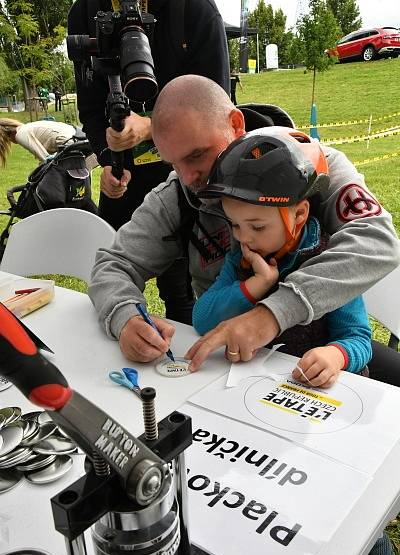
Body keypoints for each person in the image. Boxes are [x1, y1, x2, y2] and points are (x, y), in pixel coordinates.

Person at [88, 74, 400, 389]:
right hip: (226, 372)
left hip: (316, 369)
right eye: (172, 162)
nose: (187, 177)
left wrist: (271, 315)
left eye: (196, 155)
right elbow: (113, 265)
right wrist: (125, 317)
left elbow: (377, 243)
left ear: (236, 124)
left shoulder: (311, 168)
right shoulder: (177, 196)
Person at [68, 0, 230, 325]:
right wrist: (107, 155)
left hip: (187, 182)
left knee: (182, 295)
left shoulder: (195, 10)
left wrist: (151, 127)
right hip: (125, 177)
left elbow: (219, 104)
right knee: (114, 278)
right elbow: (90, 107)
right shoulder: (84, 13)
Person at [192, 127, 372, 388]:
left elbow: (358, 338)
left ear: (299, 216)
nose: (244, 238)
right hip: (259, 386)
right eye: (235, 224)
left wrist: (336, 356)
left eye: (258, 227)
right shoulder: (241, 260)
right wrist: (255, 286)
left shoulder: (329, 261)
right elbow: (202, 319)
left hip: (317, 397)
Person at [0, 118, 76, 166]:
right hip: (79, 138)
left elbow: (46, 159)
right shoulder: (29, 127)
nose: (11, 142)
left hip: (68, 143)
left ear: (7, 135)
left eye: (8, 140)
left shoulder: (20, 134)